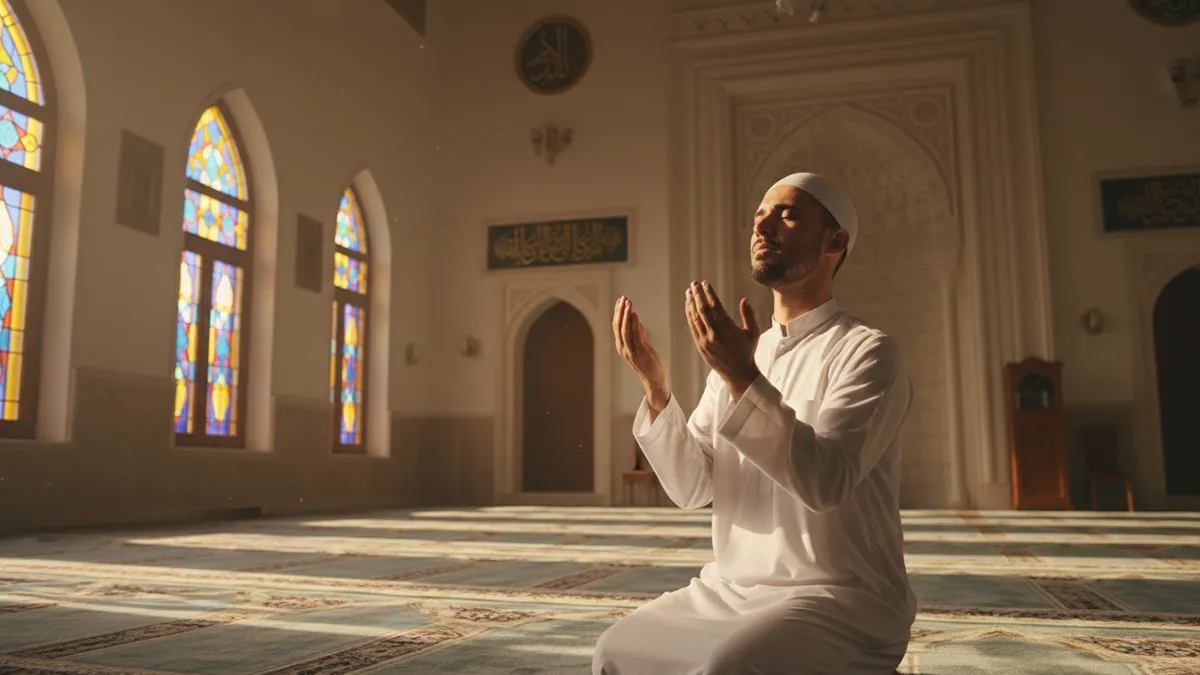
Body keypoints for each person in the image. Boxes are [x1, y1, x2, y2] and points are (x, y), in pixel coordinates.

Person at [593, 172, 915, 675]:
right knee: (615, 652)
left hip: (838, 597)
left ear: (835, 241)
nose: (763, 226)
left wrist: (743, 378)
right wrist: (657, 390)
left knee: (730, 668)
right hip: (730, 588)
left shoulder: (868, 352)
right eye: (758, 217)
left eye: (786, 215)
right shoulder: (744, 355)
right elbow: (693, 487)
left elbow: (826, 481)